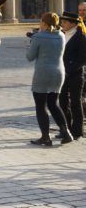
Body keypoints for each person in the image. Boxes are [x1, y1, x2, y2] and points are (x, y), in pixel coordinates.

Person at [26, 12, 72, 146]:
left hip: (43, 73)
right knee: (53, 104)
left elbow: (30, 57)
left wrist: (32, 41)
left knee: (41, 106)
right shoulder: (61, 35)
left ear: (44, 23)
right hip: (58, 72)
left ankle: (45, 137)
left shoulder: (39, 37)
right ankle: (66, 132)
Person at [58, 11, 86, 140]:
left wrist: (69, 70)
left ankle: (77, 130)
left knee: (75, 102)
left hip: (75, 75)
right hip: (62, 74)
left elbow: (83, 58)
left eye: (64, 22)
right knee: (62, 102)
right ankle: (65, 129)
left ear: (73, 24)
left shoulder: (81, 36)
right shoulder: (61, 35)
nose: (62, 24)